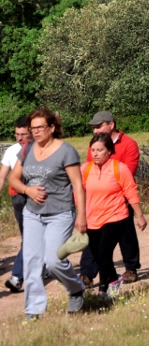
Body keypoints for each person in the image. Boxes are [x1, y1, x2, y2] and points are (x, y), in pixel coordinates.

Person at [8, 109, 86, 320]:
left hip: (60, 213)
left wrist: (81, 215)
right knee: (32, 262)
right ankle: (33, 310)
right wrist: (28, 190)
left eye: (40, 127)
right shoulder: (27, 149)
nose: (36, 132)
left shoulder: (65, 151)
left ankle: (76, 287)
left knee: (53, 260)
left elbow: (78, 185)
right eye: (33, 128)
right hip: (32, 213)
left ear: (52, 128)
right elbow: (13, 178)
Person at [79, 111, 142, 286]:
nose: (95, 130)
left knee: (126, 236)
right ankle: (87, 273)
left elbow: (129, 171)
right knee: (94, 241)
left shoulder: (129, 144)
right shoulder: (95, 145)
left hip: (120, 201)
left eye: (99, 126)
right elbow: (89, 169)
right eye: (93, 127)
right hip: (97, 202)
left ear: (111, 125)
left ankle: (130, 268)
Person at [0, 117, 31, 293]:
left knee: (31, 237)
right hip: (18, 198)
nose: (19, 138)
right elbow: (2, 175)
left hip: (37, 198)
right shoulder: (12, 151)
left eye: (23, 134)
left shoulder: (39, 149)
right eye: (17, 134)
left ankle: (17, 276)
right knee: (28, 236)